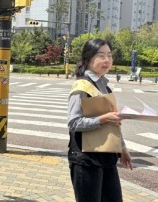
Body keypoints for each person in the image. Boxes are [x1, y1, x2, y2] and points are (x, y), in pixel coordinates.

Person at [68, 38, 133, 202]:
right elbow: (74, 123)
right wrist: (103, 119)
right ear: (88, 59)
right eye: (101, 56)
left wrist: (122, 148)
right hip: (86, 160)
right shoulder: (81, 87)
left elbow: (113, 123)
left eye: (110, 56)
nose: (107, 60)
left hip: (107, 157)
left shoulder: (106, 87)